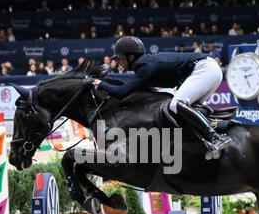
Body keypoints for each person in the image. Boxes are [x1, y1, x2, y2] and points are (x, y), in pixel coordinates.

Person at [89, 36, 231, 160]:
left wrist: (100, 84)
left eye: (120, 58)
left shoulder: (143, 67)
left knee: (176, 104)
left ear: (131, 57)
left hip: (204, 69)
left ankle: (215, 137)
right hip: (208, 69)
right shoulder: (144, 66)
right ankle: (216, 133)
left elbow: (121, 92)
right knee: (187, 111)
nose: (118, 62)